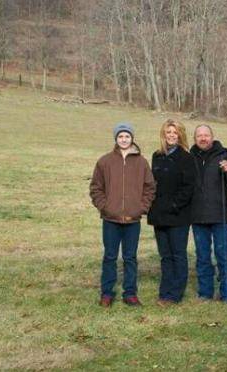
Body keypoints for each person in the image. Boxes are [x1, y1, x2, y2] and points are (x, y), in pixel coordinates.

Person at [89, 123, 155, 307]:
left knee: (130, 257)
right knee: (110, 256)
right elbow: (96, 188)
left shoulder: (141, 162)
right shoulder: (105, 161)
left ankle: (130, 293)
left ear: (132, 138)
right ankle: (107, 293)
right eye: (120, 137)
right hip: (111, 219)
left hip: (133, 219)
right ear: (116, 139)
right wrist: (105, 207)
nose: (124, 139)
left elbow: (150, 187)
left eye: (127, 136)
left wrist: (141, 207)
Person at [190, 125, 227, 303]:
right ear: (195, 139)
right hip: (198, 217)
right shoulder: (190, 158)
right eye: (199, 136)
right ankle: (205, 293)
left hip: (220, 216)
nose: (203, 138)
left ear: (212, 137)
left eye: (206, 135)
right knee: (202, 257)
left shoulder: (226, 156)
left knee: (223, 256)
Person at [147, 119, 195, 306]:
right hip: (159, 215)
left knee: (178, 255)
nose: (172, 135)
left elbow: (189, 187)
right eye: (168, 132)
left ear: (180, 135)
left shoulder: (186, 158)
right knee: (165, 256)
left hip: (178, 216)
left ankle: (175, 294)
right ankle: (164, 292)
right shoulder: (157, 156)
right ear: (164, 135)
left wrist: (174, 205)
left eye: (175, 132)